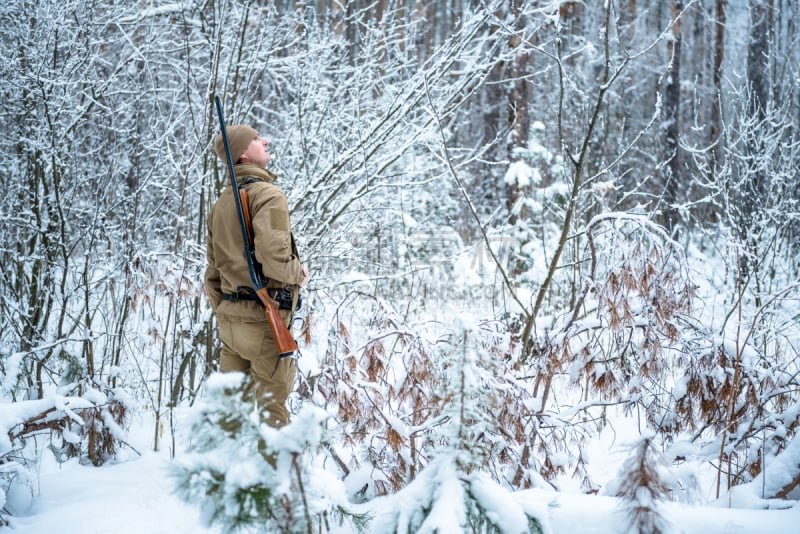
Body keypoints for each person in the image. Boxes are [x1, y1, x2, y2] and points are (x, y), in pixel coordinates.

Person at [204, 124, 307, 428]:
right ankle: (276, 476)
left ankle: (226, 474)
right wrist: (298, 274)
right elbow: (275, 258)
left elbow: (212, 272)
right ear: (244, 154)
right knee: (271, 419)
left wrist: (225, 310)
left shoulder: (220, 205)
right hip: (265, 324)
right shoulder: (269, 195)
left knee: (230, 419)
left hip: (230, 326)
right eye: (256, 138)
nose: (265, 140)